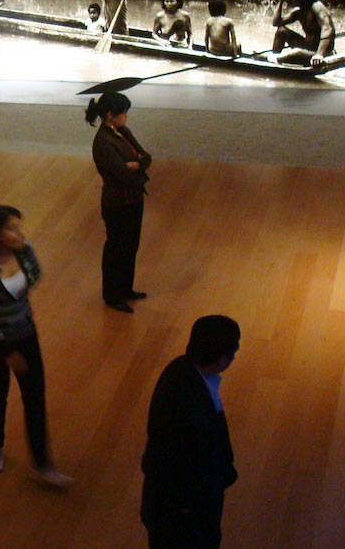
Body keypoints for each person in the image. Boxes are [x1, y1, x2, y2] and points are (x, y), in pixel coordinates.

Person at [0, 204, 74, 487]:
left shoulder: (22, 252)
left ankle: (42, 464)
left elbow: (35, 277)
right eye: (12, 228)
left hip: (26, 335)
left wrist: (27, 251)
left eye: (19, 227)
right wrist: (7, 351)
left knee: (35, 399)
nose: (19, 233)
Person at [141, 315, 240, 547]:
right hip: (184, 516)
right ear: (223, 359)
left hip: (171, 508)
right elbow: (189, 465)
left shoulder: (178, 369)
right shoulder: (190, 406)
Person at [86, 92, 151, 313]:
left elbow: (145, 157)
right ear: (110, 116)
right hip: (117, 203)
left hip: (132, 198)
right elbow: (123, 174)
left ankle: (125, 288)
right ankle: (113, 295)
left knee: (131, 246)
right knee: (117, 249)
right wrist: (137, 165)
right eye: (124, 113)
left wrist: (137, 164)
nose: (127, 117)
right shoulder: (103, 142)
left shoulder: (122, 131)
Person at [270, 0, 335, 66]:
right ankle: (274, 57)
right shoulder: (299, 11)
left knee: (296, 53)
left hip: (321, 52)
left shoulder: (317, 7)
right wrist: (280, 2)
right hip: (308, 46)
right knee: (281, 31)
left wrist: (319, 54)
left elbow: (327, 29)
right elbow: (276, 23)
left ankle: (274, 59)